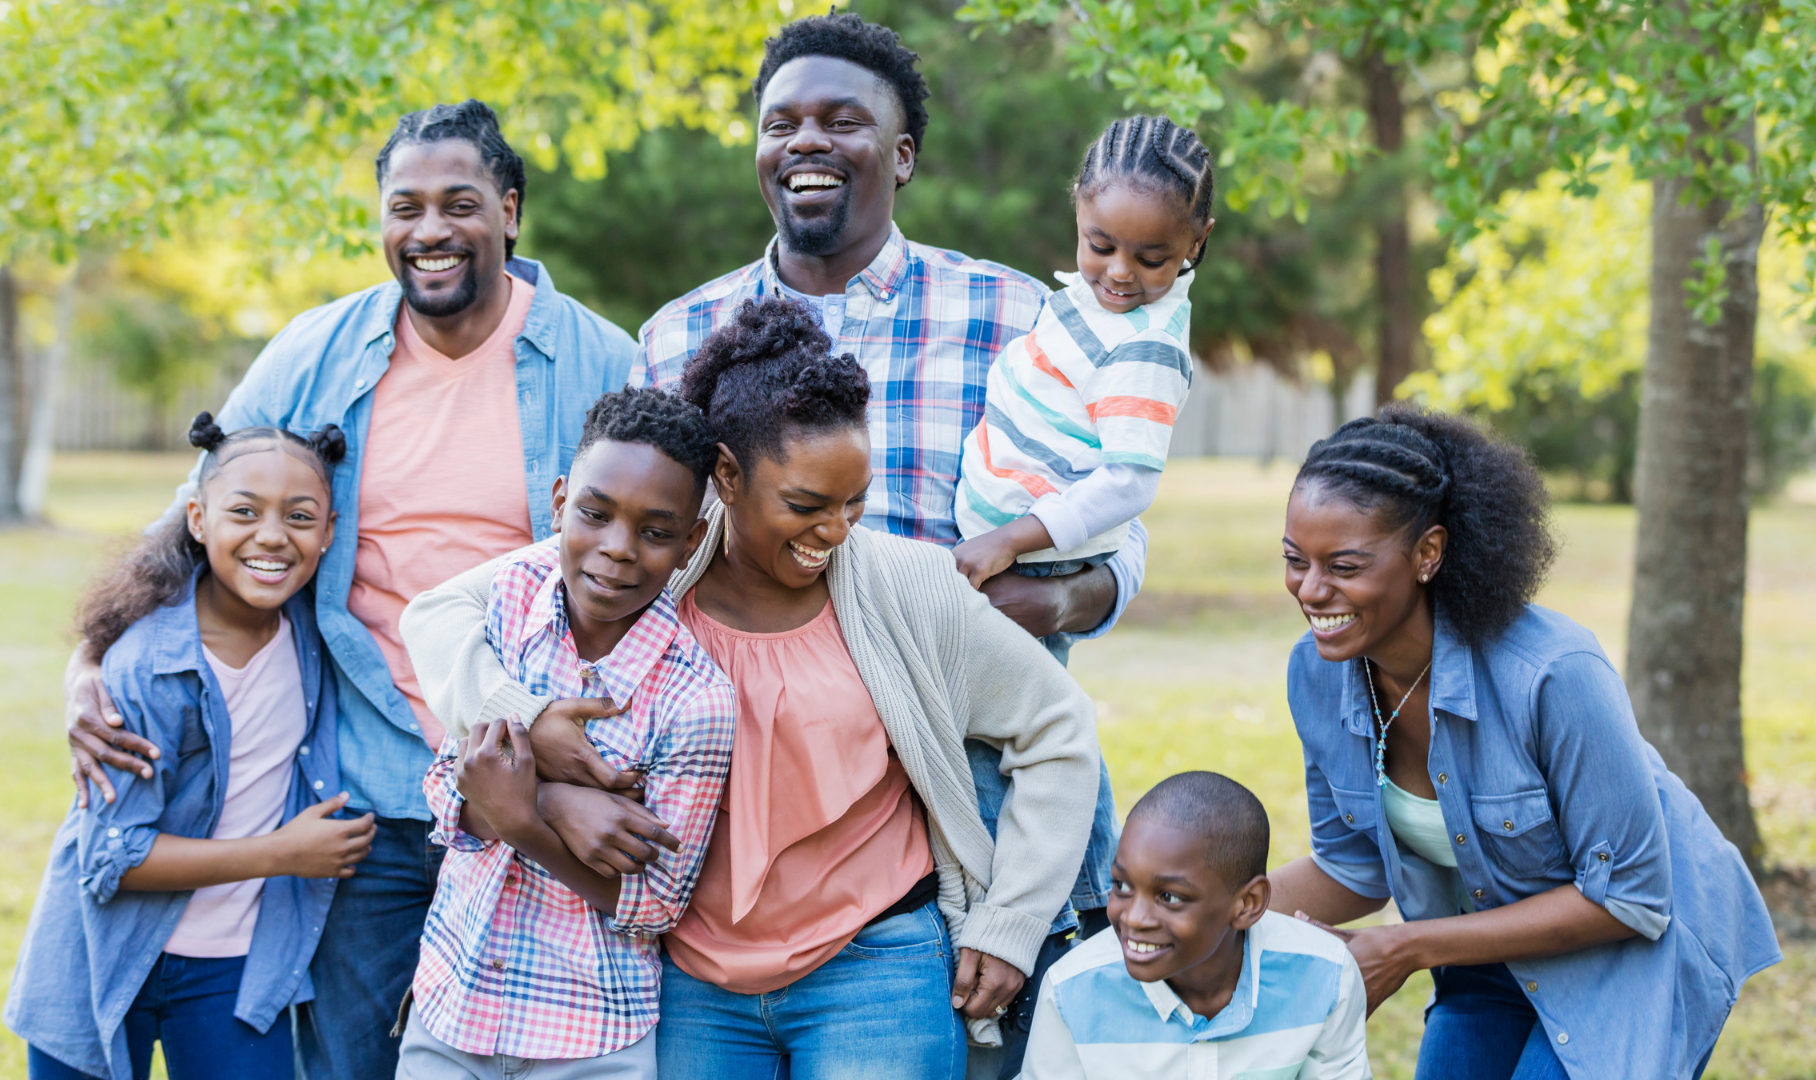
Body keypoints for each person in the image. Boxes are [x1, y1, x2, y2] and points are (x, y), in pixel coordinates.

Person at [58, 100, 636, 1080]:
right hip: (362, 796)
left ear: (509, 209)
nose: (429, 232)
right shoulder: (315, 353)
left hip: (528, 784)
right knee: (345, 1066)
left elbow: (663, 560)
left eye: (458, 204)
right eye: (403, 206)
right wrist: (84, 665)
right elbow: (192, 518)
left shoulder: (601, 363)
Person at [405, 297, 1101, 1079]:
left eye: (853, 502)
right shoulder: (643, 565)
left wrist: (1010, 920)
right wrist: (528, 721)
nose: (836, 529)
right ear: (727, 478)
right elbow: (437, 613)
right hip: (690, 976)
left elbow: (1057, 728)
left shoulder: (908, 588)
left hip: (874, 969)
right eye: (805, 505)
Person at [635, 15, 1133, 1069]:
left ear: (901, 155)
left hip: (970, 765)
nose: (805, 141)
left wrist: (1060, 601)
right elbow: (648, 551)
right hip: (755, 770)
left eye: (842, 121)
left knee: (987, 1041)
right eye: (782, 124)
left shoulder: (1013, 316)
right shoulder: (680, 334)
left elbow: (1116, 531)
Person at [1268, 406, 1781, 1080]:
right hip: (1486, 953)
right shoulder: (1317, 673)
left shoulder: (1552, 672)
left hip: (1634, 955)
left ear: (1428, 553)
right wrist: (1212, 914)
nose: (1310, 589)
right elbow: (1352, 863)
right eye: (1294, 560)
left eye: (1344, 565)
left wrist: (1403, 947)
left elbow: (1629, 896)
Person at [6, 416, 373, 1080]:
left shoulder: (314, 629)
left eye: (299, 516)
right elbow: (113, 855)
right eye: (244, 511)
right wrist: (282, 853)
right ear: (198, 520)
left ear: (328, 530)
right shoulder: (148, 667)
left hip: (236, 968)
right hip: (106, 955)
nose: (271, 535)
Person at [396, 387, 736, 1080]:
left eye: (655, 531)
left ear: (691, 542)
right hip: (450, 1003)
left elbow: (655, 902)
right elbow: (443, 783)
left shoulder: (696, 699)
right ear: (559, 504)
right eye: (595, 514)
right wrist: (553, 804)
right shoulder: (514, 595)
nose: (616, 549)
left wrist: (521, 818)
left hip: (589, 1035)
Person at [952, 116, 1213, 598]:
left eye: (1151, 260)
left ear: (1197, 241)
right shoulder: (1095, 304)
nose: (1119, 272)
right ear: (1079, 210)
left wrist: (1009, 540)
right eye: (1100, 245)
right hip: (998, 541)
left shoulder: (1145, 346)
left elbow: (1129, 483)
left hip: (1027, 559)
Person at [1022, 772, 1369, 1080]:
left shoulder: (1325, 976)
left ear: (1247, 904)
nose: (1133, 919)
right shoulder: (1072, 992)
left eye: (1169, 897)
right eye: (1123, 886)